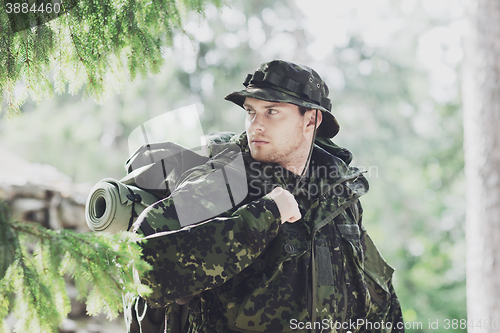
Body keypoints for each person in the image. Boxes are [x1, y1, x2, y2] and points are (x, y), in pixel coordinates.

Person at [128, 60, 405, 333]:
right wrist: (266, 214)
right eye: (251, 111)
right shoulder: (226, 178)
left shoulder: (337, 192)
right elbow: (147, 266)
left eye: (271, 112)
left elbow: (377, 296)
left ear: (311, 120)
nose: (255, 125)